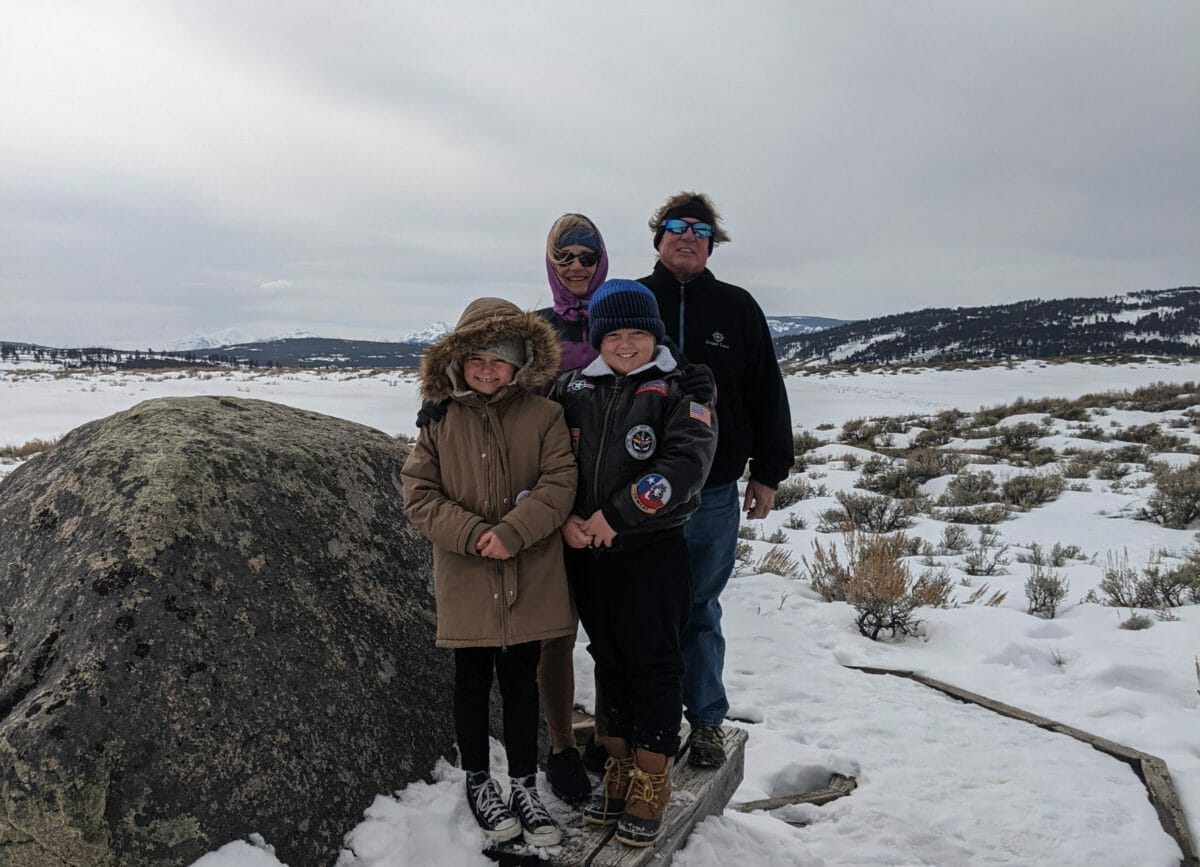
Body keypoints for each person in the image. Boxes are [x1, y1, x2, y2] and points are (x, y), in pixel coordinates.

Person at [401, 297, 578, 847]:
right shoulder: (440, 421)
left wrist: (513, 531)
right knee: (472, 682)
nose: (486, 368)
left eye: (499, 358)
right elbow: (418, 492)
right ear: (456, 360)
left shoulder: (546, 416)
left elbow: (559, 484)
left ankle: (524, 783)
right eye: (475, 356)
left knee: (522, 683)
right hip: (467, 578)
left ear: (521, 362)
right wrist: (473, 533)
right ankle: (479, 780)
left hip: (531, 575)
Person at [549, 279, 717, 847]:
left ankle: (652, 775)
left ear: (654, 335)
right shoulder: (572, 387)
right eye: (613, 334)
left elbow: (685, 465)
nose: (624, 345)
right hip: (589, 553)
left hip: (649, 551)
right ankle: (617, 763)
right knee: (609, 658)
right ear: (597, 338)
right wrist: (569, 516)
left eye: (636, 333)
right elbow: (542, 451)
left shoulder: (678, 387)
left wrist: (615, 516)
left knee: (654, 663)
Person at [637, 192, 794, 768]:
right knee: (642, 608)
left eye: (700, 229)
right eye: (676, 227)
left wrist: (768, 472)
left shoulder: (737, 307)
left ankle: (704, 721)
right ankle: (637, 724)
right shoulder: (632, 299)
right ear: (658, 238)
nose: (688, 236)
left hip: (714, 489)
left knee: (700, 606)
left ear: (711, 243)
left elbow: (766, 392)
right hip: (638, 491)